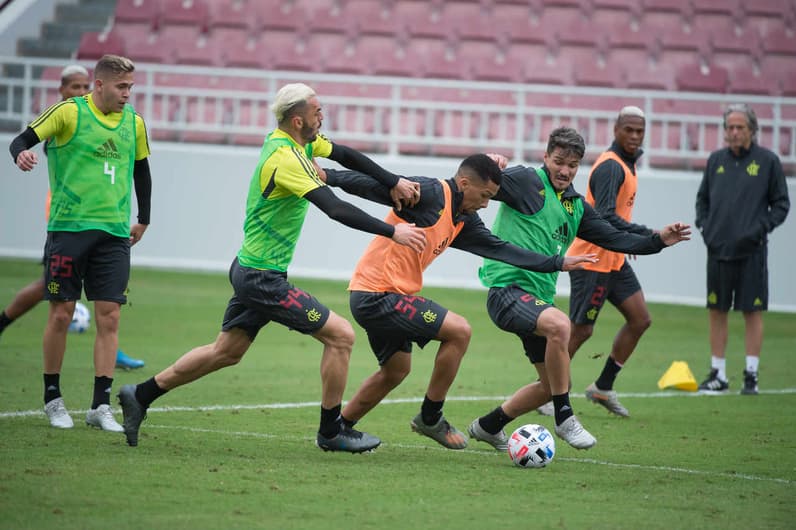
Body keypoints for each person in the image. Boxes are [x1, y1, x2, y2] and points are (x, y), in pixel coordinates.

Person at [117, 82, 426, 452]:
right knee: (341, 336)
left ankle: (140, 394)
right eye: (317, 112)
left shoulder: (296, 143)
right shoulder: (287, 159)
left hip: (253, 269)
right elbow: (335, 208)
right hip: (261, 278)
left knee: (226, 351)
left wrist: (393, 181)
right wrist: (393, 231)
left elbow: (345, 155)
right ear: (298, 120)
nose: (322, 117)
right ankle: (331, 432)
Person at [318, 154, 596, 450]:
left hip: (388, 295)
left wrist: (557, 262)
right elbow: (373, 186)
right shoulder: (432, 193)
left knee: (396, 370)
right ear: (464, 184)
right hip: (377, 294)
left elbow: (501, 250)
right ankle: (431, 416)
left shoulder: (463, 219)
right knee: (459, 330)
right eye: (485, 195)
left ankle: (338, 429)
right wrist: (329, 176)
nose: (488, 203)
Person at [467, 127, 690, 452]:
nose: (564, 170)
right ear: (545, 157)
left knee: (550, 384)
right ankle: (564, 418)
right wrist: (489, 164)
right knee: (562, 326)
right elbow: (478, 183)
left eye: (572, 165)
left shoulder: (575, 206)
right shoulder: (526, 181)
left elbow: (615, 236)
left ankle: (488, 426)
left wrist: (657, 240)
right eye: (558, 162)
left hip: (535, 300)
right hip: (506, 291)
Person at [9, 55, 153, 432]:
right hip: (69, 230)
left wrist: (144, 218)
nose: (127, 95)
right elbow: (23, 139)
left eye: (130, 88)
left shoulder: (134, 124)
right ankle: (53, 399)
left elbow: (142, 170)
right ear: (99, 84)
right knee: (61, 313)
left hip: (115, 234)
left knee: (110, 315)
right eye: (122, 88)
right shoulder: (68, 113)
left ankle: (99, 406)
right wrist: (20, 153)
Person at [560, 105, 654, 418]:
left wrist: (625, 242)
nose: (634, 136)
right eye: (628, 129)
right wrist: (644, 236)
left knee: (640, 319)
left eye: (639, 130)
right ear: (616, 130)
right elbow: (604, 216)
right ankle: (548, 388)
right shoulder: (611, 166)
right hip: (592, 258)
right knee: (581, 331)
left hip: (613, 258)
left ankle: (603, 386)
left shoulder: (627, 164)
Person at [695, 103, 790, 395]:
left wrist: (758, 230)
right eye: (730, 128)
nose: (734, 132)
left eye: (740, 127)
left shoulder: (768, 162)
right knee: (717, 310)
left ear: (752, 131)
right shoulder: (715, 161)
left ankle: (751, 374)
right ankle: (718, 374)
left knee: (752, 311)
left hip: (752, 252)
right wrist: (705, 228)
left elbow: (781, 205)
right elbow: (703, 201)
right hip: (717, 250)